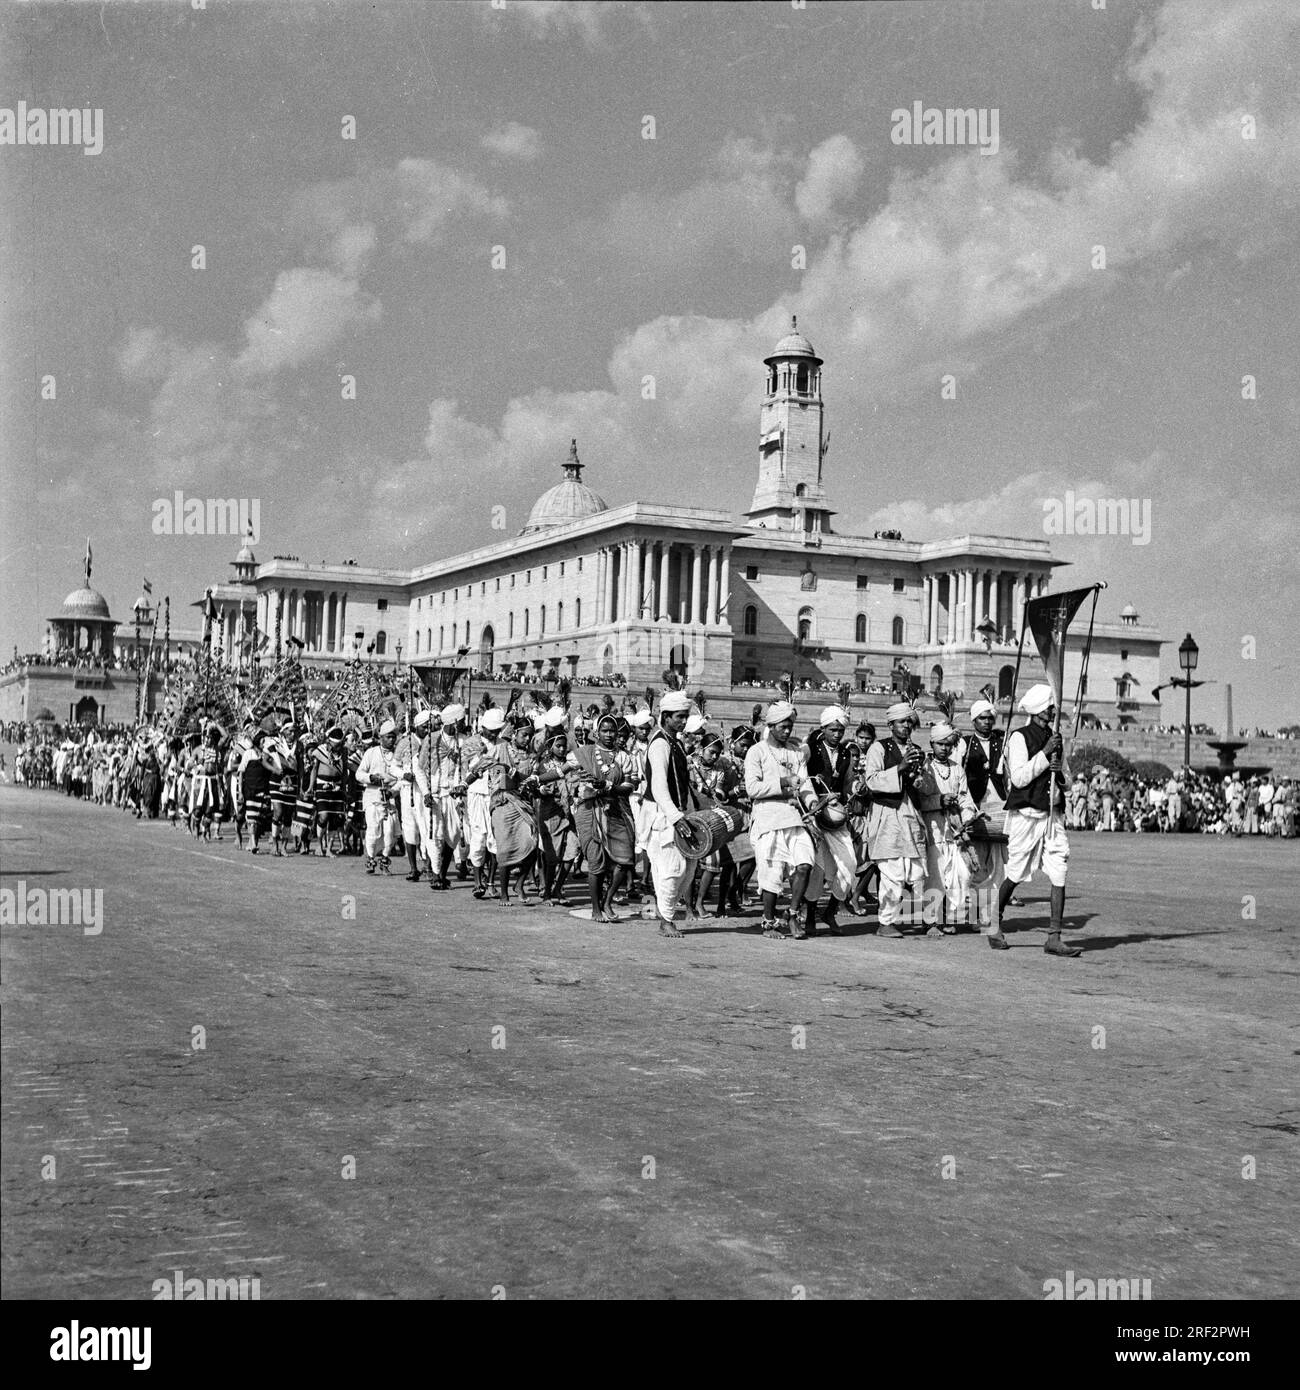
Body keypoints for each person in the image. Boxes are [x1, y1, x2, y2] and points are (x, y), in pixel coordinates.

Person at [988, 683, 1080, 957]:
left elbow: (1068, 780)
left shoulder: (1057, 738)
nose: (1054, 712)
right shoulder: (1019, 737)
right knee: (1015, 871)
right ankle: (994, 923)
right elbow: (1018, 778)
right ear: (1040, 710)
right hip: (1026, 815)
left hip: (1052, 816)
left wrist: (1060, 774)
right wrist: (1043, 755)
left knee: (1060, 869)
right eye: (1051, 708)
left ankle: (1054, 936)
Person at [744, 701, 818, 939]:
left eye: (790, 727)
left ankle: (793, 914)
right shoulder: (757, 752)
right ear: (772, 726)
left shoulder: (796, 753)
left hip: (794, 817)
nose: (787, 731)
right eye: (783, 727)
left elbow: (805, 784)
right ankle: (768, 922)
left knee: (805, 863)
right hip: (768, 818)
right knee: (772, 872)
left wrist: (813, 803)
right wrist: (784, 783)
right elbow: (752, 789)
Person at [862, 701, 928, 936]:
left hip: (910, 815)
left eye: (909, 721)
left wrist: (920, 777)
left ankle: (923, 917)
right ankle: (885, 922)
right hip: (887, 815)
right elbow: (871, 781)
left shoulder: (917, 750)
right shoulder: (878, 749)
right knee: (892, 872)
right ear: (891, 725)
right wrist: (899, 768)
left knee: (916, 871)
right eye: (902, 722)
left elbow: (922, 784)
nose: (906, 726)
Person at [570, 712, 637, 922]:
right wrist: (536, 778)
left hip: (616, 810)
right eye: (605, 731)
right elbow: (562, 770)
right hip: (589, 811)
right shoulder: (585, 753)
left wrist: (608, 786)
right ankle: (595, 909)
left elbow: (629, 786)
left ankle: (607, 901)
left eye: (612, 731)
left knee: (625, 860)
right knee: (596, 862)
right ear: (596, 732)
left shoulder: (624, 757)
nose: (609, 735)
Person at [915, 722, 979, 934]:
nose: (945, 748)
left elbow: (966, 800)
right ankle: (930, 922)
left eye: (949, 744)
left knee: (960, 875)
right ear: (932, 743)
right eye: (941, 744)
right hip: (932, 829)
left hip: (955, 830)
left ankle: (949, 917)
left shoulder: (957, 768)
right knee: (936, 876)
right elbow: (919, 801)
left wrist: (968, 818)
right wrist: (940, 801)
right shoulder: (924, 768)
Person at [800, 706, 858, 935]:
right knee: (818, 869)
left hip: (837, 816)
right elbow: (802, 778)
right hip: (813, 814)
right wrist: (816, 802)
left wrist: (855, 788)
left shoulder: (845, 753)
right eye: (833, 730)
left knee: (849, 865)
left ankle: (830, 911)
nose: (837, 734)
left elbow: (848, 781)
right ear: (823, 728)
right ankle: (810, 916)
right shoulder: (810, 749)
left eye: (840, 730)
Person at [643, 692, 695, 938]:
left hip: (678, 813)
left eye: (686, 717)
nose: (684, 722)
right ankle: (665, 920)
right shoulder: (660, 744)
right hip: (662, 816)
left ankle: (668, 913)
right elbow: (659, 786)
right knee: (670, 869)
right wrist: (676, 817)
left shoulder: (676, 743)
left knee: (687, 867)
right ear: (665, 716)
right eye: (679, 717)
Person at [961, 697, 1007, 931]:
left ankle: (990, 914)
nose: (987, 722)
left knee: (999, 865)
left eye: (990, 718)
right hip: (975, 807)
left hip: (999, 806)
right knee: (977, 864)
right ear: (974, 720)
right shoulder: (965, 744)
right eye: (982, 718)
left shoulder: (1002, 742)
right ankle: (974, 913)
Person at [464, 708, 504, 897]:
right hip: (476, 795)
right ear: (483, 727)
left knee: (495, 841)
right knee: (478, 839)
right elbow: (468, 769)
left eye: (497, 730)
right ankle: (477, 882)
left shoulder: (503, 745)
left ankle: (491, 882)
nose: (494, 734)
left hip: (496, 795)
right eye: (491, 730)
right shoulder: (471, 743)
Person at [356, 719, 400, 874]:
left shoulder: (397, 755)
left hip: (390, 798)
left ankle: (384, 861)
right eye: (388, 737)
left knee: (390, 832)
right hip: (372, 796)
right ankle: (370, 858)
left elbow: (401, 780)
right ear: (381, 738)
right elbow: (359, 774)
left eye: (393, 737)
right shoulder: (371, 752)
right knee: (374, 829)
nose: (391, 739)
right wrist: (371, 778)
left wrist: (392, 791)